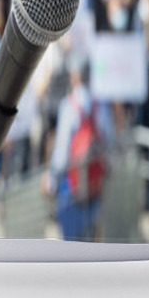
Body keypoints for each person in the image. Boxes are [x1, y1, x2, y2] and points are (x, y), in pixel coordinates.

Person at [43, 55, 112, 241]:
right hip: (94, 187)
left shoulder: (69, 106)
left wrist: (52, 180)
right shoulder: (101, 104)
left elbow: (61, 154)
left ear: (76, 77)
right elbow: (109, 142)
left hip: (71, 189)